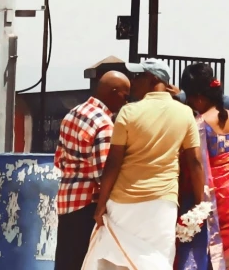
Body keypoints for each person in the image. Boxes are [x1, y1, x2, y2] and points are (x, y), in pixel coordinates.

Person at [86, 64, 207, 270]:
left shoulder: (128, 112)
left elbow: (114, 163)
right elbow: (195, 163)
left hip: (123, 204)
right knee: (157, 261)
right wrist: (200, 204)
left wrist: (101, 205)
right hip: (161, 205)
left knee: (119, 262)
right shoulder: (185, 113)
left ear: (153, 79)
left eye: (137, 76)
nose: (132, 82)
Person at [54, 67, 132, 270]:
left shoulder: (73, 113)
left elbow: (59, 159)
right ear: (114, 93)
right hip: (87, 204)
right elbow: (103, 174)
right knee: (84, 261)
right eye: (125, 96)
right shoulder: (105, 125)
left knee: (65, 260)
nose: (126, 102)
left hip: (66, 199)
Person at [181, 69, 229, 270]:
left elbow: (195, 162)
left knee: (210, 251)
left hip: (213, 199)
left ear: (199, 99)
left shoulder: (199, 124)